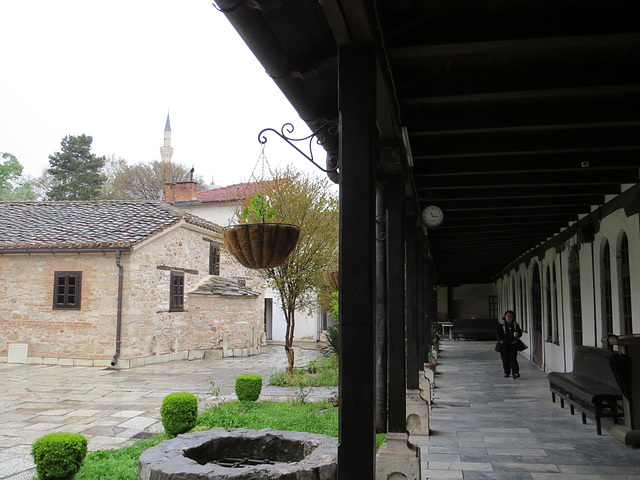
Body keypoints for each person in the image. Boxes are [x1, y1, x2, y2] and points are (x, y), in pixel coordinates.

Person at [496, 310, 523, 379]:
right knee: (505, 359)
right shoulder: (501, 325)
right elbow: (497, 334)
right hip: (504, 345)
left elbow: (520, 332)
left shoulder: (515, 324)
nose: (509, 317)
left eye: (511, 316)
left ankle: (515, 373)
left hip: (513, 344)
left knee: (513, 358)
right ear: (505, 317)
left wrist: (518, 334)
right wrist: (500, 340)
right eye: (508, 316)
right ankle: (507, 372)